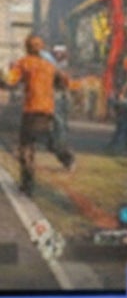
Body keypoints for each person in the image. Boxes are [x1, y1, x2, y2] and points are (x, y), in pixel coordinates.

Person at [4, 34, 75, 194]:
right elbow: (63, 83)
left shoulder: (23, 63)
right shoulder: (49, 66)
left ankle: (28, 185)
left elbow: (10, 81)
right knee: (45, 140)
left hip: (31, 110)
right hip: (47, 109)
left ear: (26, 47)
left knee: (27, 147)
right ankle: (66, 157)